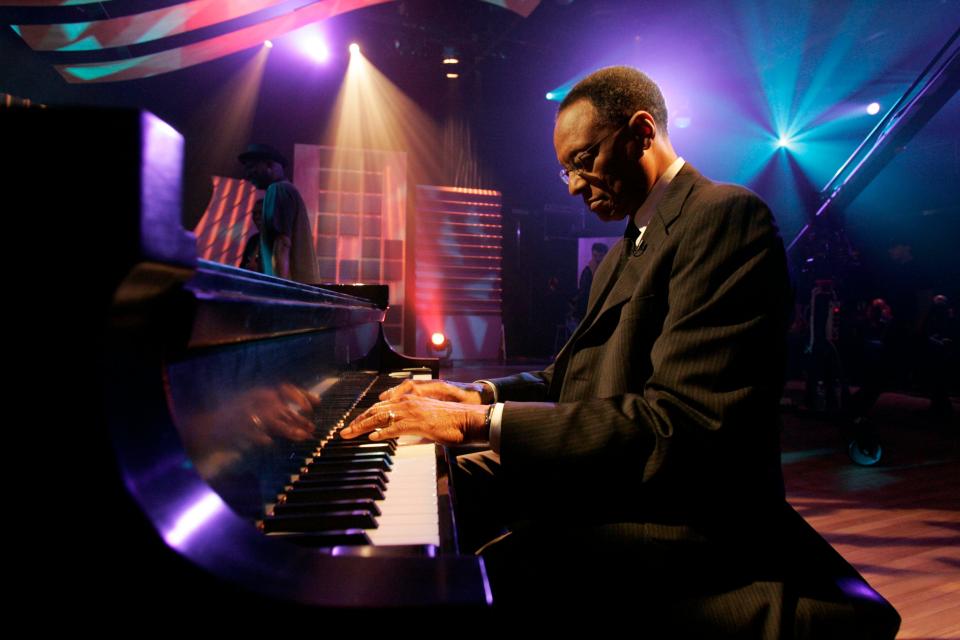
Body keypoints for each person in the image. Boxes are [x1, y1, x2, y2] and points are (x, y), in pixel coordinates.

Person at [340, 67, 896, 635]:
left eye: (584, 160)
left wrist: (473, 423)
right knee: (436, 486)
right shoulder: (625, 247)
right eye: (565, 171)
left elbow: (682, 423)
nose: (575, 187)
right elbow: (569, 377)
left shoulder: (725, 216)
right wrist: (474, 393)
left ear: (642, 133)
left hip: (678, 521)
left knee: (476, 581)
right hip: (617, 482)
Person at [238, 143, 319, 283]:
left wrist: (281, 288)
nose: (247, 174)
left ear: (269, 165)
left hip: (290, 292)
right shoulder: (288, 190)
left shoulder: (277, 190)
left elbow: (282, 244)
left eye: (251, 167)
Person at [571, 241, 608, 322]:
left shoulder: (609, 272)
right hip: (587, 314)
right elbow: (584, 293)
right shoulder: (587, 272)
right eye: (595, 256)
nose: (597, 259)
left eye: (600, 256)